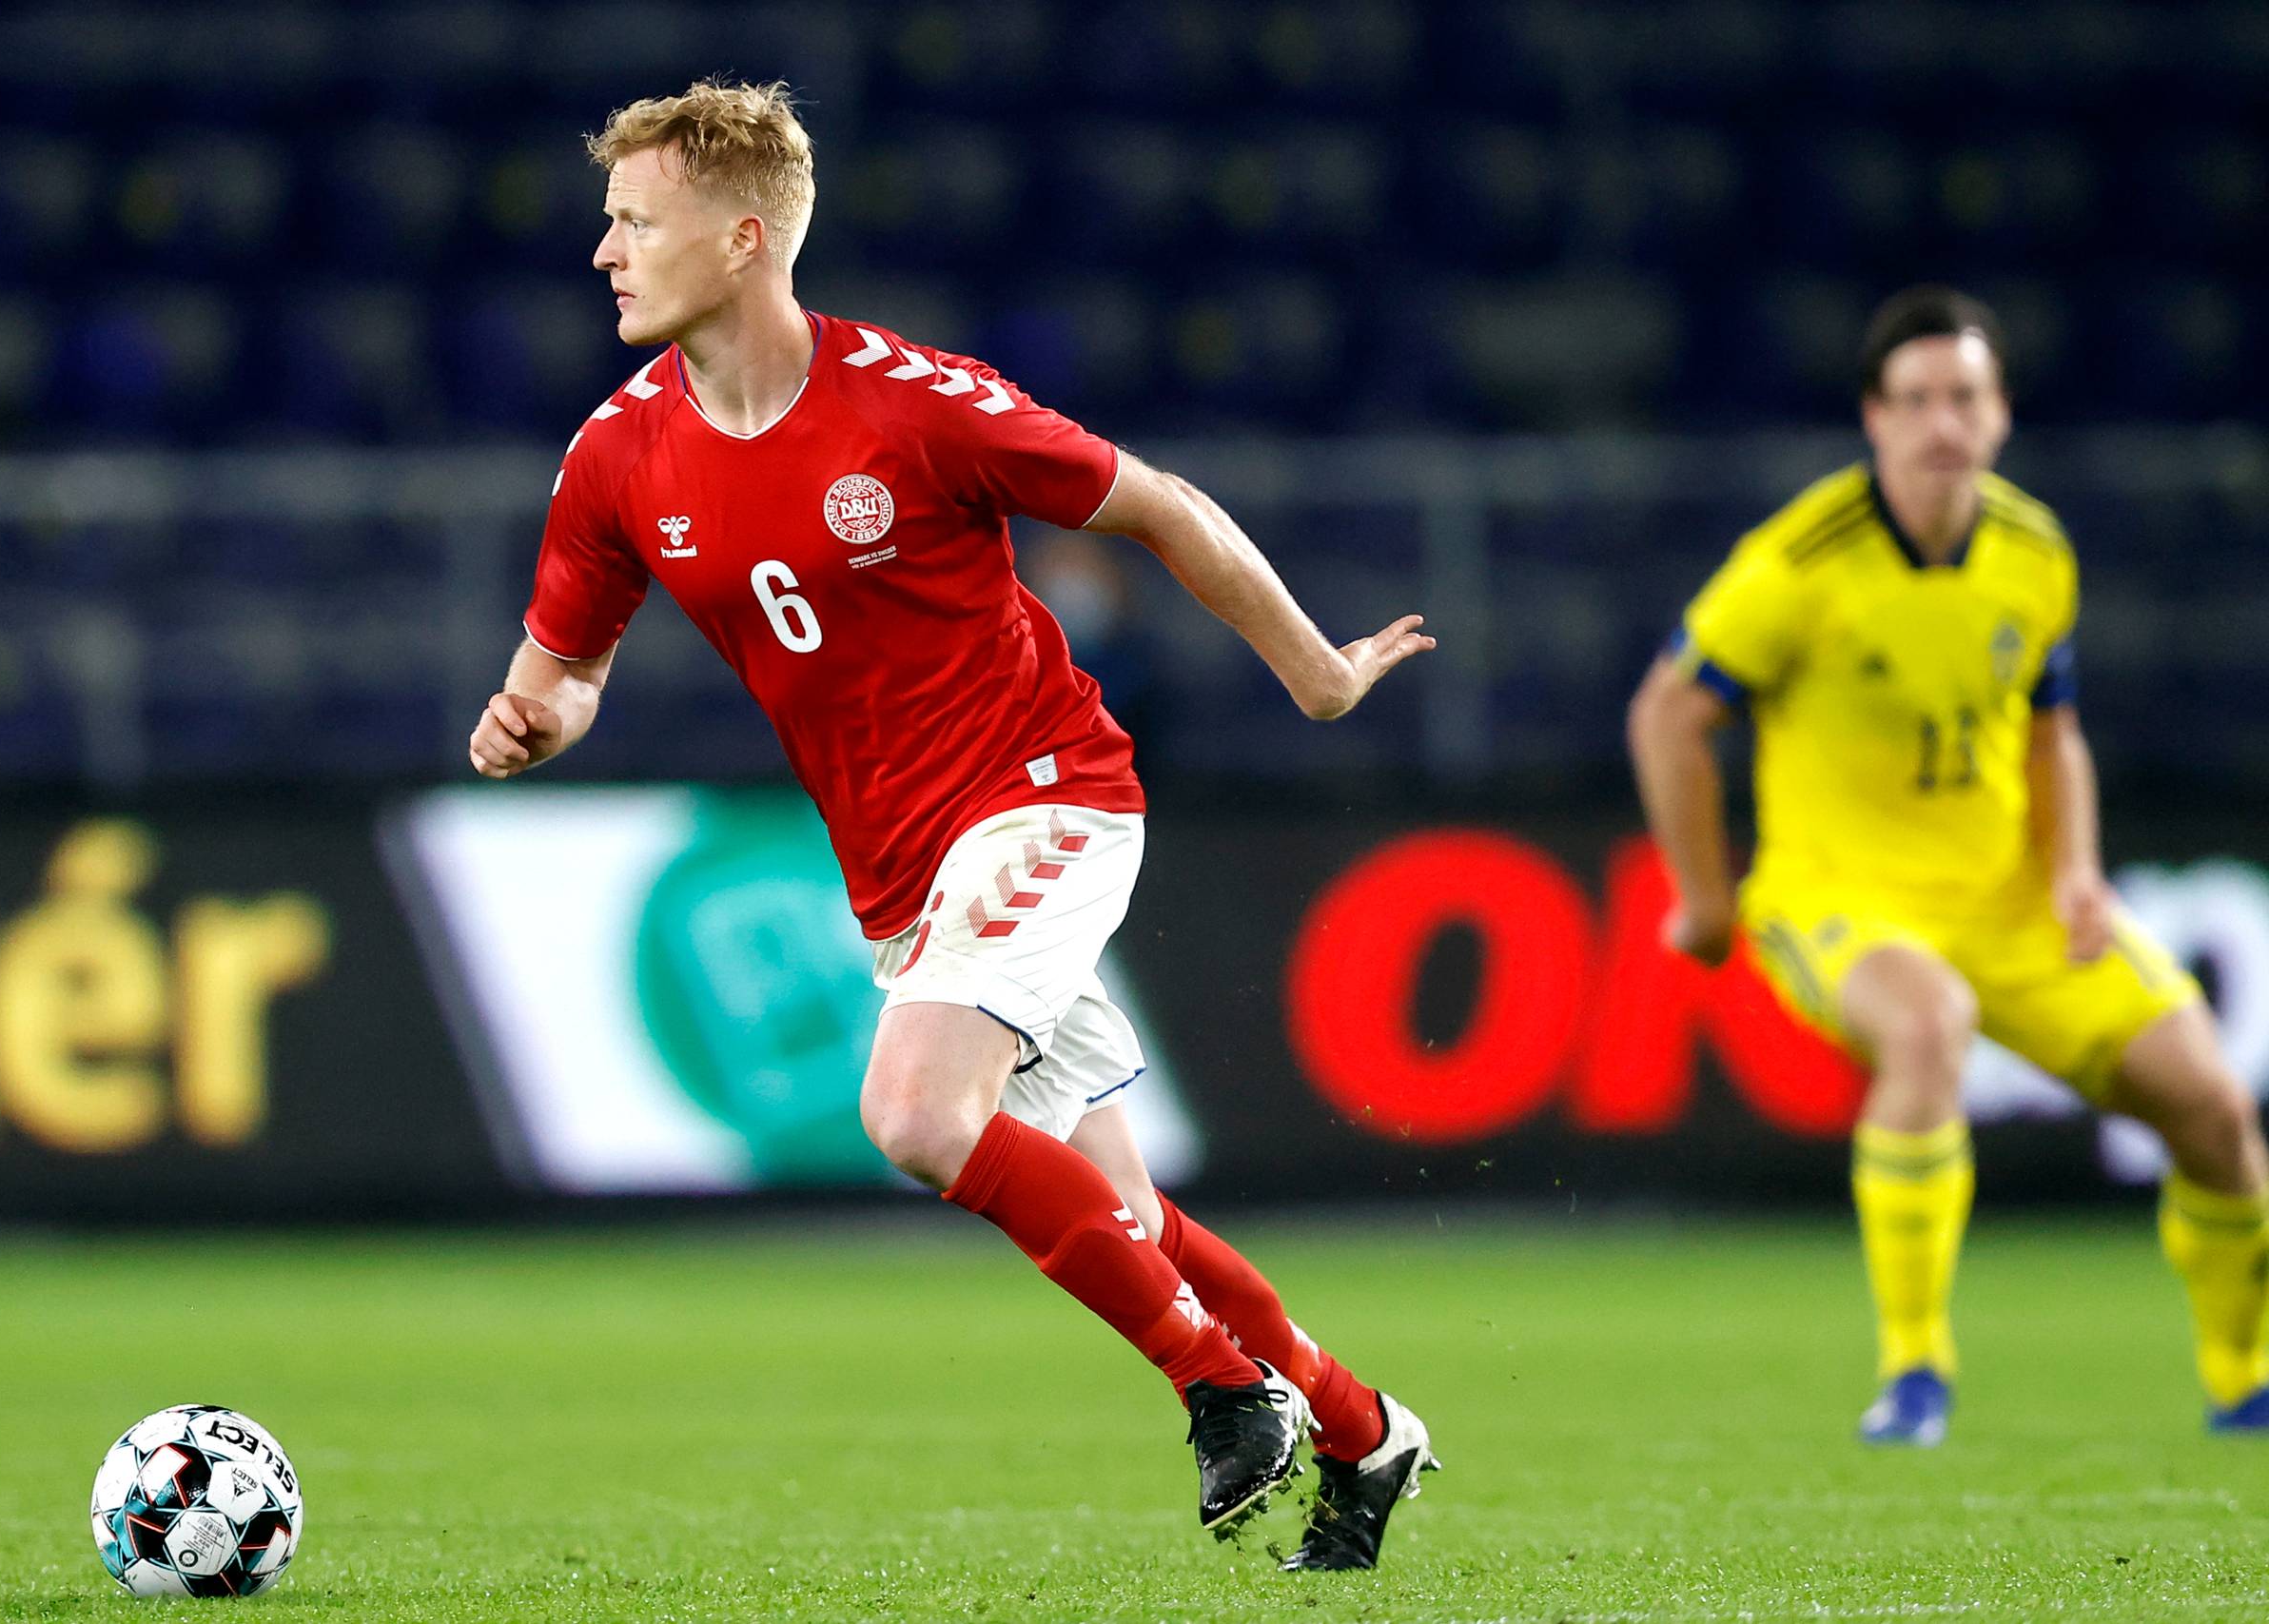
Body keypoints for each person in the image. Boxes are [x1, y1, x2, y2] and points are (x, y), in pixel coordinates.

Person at [468, 80, 1438, 1563]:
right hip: (903, 884)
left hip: (1043, 794)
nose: (603, 251)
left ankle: (1223, 1385)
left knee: (917, 1113)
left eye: (632, 222)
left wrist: (1318, 675)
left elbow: (1163, 504)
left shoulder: (913, 405)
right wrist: (533, 718)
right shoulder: (616, 456)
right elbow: (569, 668)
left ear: (742, 240)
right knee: (1126, 1217)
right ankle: (1363, 1430)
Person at [1628, 285, 2269, 1445]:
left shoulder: (2032, 550)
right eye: (1914, 399)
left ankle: (2243, 1379)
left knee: (2217, 1108)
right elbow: (1667, 713)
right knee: (1928, 1025)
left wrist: (2074, 871)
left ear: (2000, 413)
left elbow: (2049, 728)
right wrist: (1707, 897)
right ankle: (1914, 1372)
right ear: (1872, 418)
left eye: (1961, 397)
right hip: (1837, 896)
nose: (1939, 423)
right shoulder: (1798, 561)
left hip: (2008, 899)